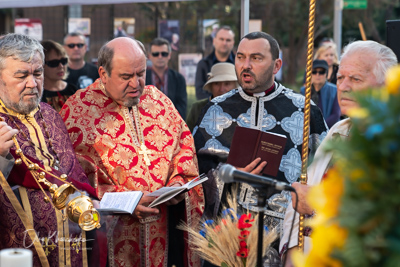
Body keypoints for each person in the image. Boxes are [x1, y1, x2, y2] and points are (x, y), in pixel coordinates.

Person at [60, 37, 204, 267]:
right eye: (126, 77)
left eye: (141, 74)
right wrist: (125, 202)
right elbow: (70, 178)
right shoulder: (78, 110)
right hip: (111, 235)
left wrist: (178, 184)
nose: (136, 84)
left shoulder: (159, 102)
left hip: (163, 231)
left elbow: (183, 150)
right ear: (103, 73)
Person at [193, 31, 328, 266]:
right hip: (226, 239)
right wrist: (230, 174)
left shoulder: (304, 111)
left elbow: (325, 172)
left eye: (256, 58)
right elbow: (194, 174)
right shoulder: (214, 110)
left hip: (282, 238)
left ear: (276, 65)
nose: (246, 65)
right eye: (241, 57)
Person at [279, 40, 398, 266]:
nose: (343, 87)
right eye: (341, 78)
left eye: (356, 79)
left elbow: (383, 216)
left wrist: (315, 204)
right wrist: (293, 256)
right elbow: (300, 203)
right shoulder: (338, 131)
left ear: (385, 85)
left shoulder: (392, 139)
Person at [0, 33, 105, 267]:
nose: (32, 83)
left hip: (72, 240)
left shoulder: (49, 113)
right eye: (21, 75)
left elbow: (70, 170)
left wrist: (88, 196)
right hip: (20, 247)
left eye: (37, 73)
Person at [186, 62, 238, 132]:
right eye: (217, 84)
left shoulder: (242, 110)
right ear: (211, 86)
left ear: (235, 86)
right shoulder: (197, 108)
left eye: (227, 84)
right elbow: (187, 138)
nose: (221, 89)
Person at [146, 37, 187, 118]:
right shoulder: (142, 78)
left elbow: (182, 108)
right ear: (149, 56)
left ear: (169, 55)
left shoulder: (179, 79)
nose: (160, 57)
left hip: (172, 124)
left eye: (164, 54)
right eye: (156, 54)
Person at [195, 26, 235, 100]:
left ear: (233, 43)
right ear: (214, 41)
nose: (224, 43)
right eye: (221, 39)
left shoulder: (239, 64)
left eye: (228, 40)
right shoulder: (203, 64)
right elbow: (200, 93)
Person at [300, 59, 341, 128]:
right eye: (314, 72)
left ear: (326, 74)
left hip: (330, 131)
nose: (317, 75)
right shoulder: (304, 91)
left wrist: (319, 127)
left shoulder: (335, 90)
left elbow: (335, 115)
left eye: (321, 72)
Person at [41, 40, 78, 111]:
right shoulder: (37, 93)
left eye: (64, 61)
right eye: (54, 63)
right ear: (41, 65)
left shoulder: (73, 90)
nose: (61, 66)